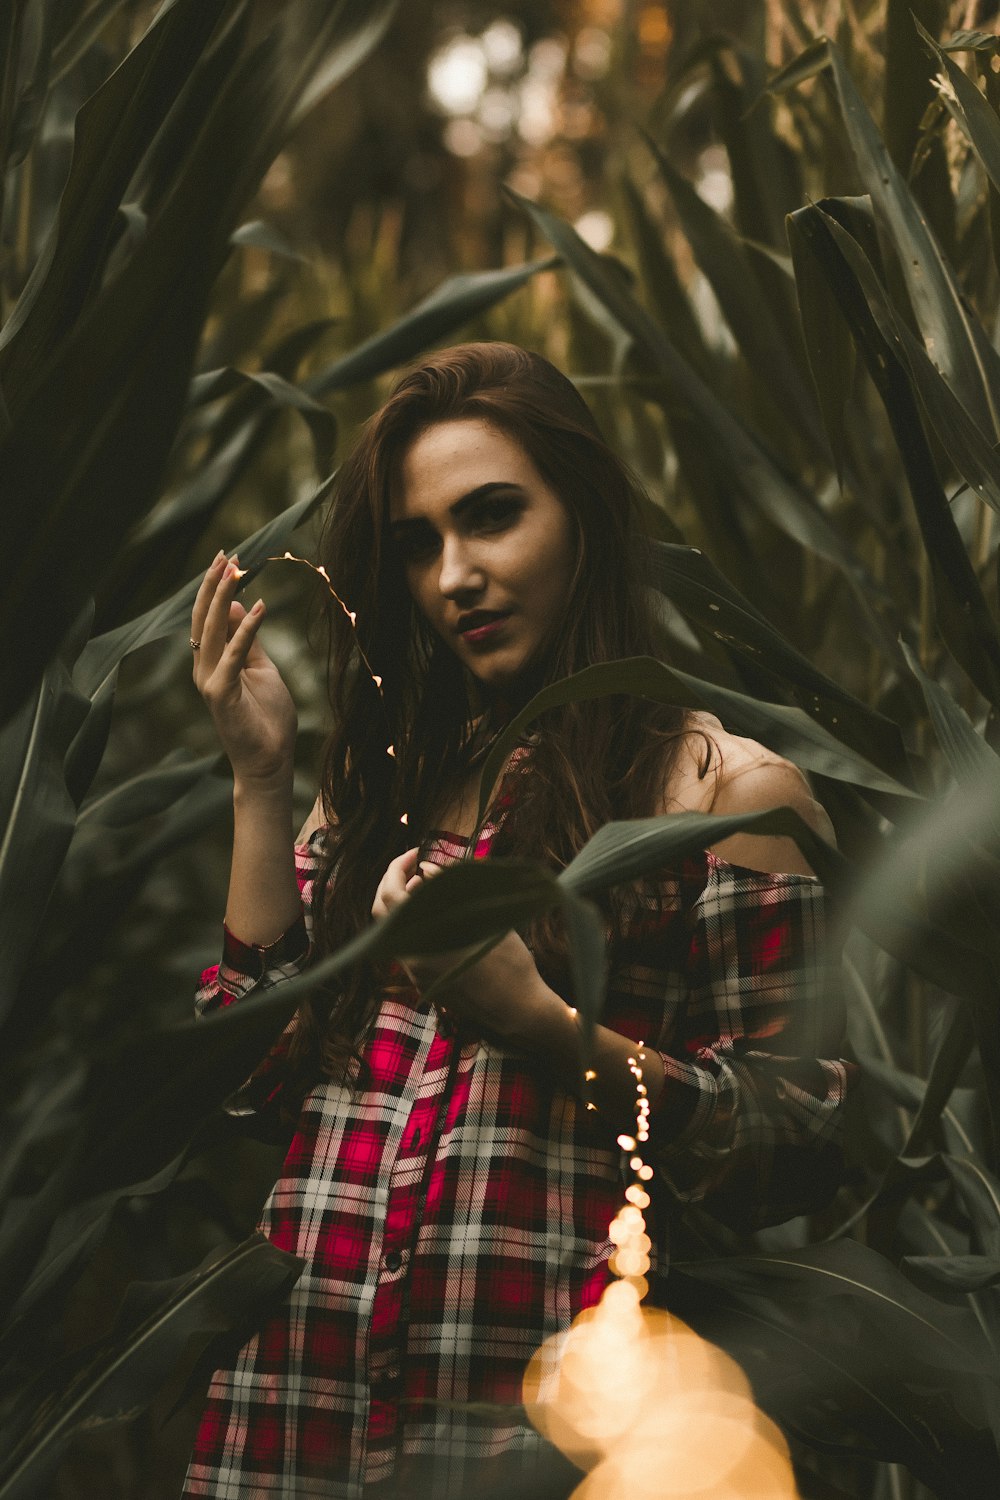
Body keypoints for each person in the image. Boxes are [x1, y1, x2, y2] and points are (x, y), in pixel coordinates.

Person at [181, 342, 852, 1499]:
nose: (453, 576)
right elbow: (252, 1083)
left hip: (525, 1450)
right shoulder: (385, 792)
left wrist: (538, 1024)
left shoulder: (722, 796)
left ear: (583, 517)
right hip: (290, 1429)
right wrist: (261, 782)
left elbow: (793, 1143)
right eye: (417, 542)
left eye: (492, 518)